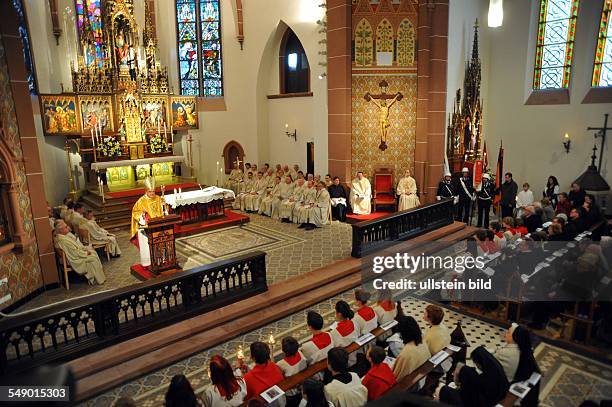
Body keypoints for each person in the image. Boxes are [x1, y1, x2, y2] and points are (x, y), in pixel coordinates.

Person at [130, 177, 164, 267]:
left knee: (160, 244)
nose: (152, 193)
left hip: (158, 226)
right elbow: (135, 212)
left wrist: (165, 206)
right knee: (147, 247)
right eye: (150, 192)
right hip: (145, 229)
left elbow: (164, 211)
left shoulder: (159, 198)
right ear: (146, 191)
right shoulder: (141, 201)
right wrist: (143, 216)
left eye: (153, 191)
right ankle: (148, 263)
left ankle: (161, 260)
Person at [392, 316, 431, 381]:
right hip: (421, 376)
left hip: (409, 384)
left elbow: (396, 376)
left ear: (403, 333)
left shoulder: (405, 354)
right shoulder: (422, 340)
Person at [277, 337, 308, 407]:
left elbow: (281, 378)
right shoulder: (300, 353)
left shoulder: (281, 364)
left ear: (283, 350)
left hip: (291, 392)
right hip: (303, 384)